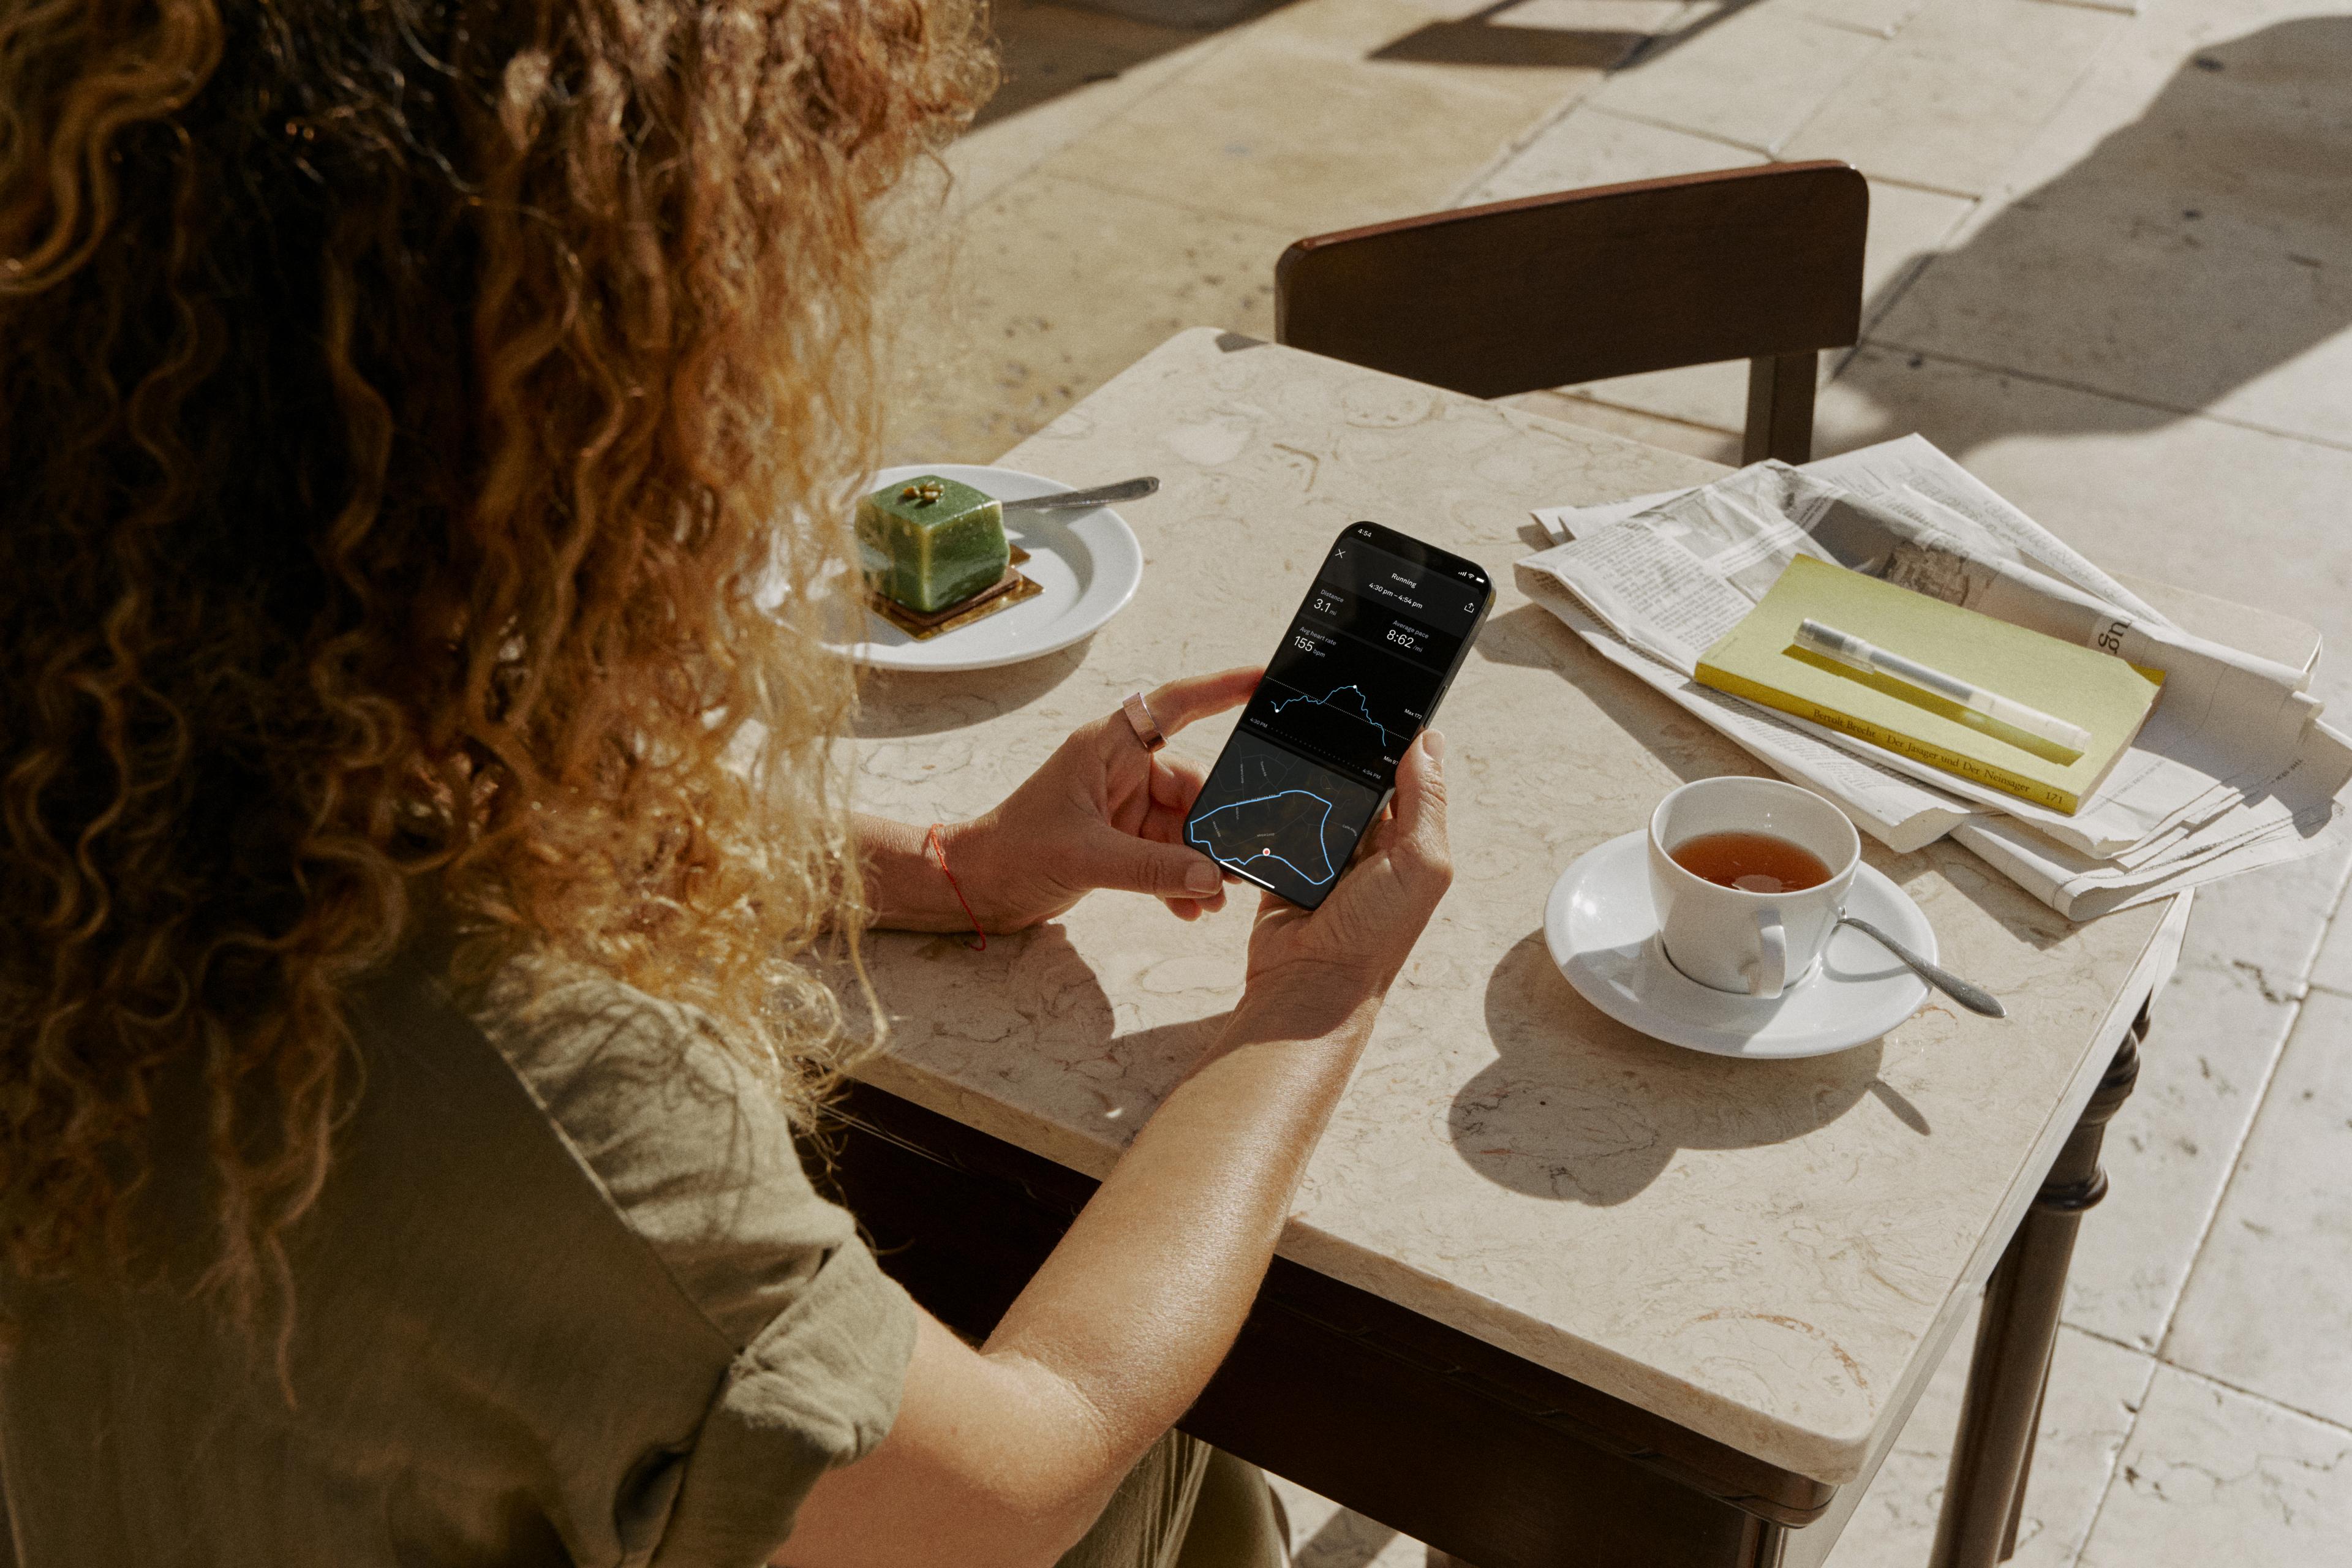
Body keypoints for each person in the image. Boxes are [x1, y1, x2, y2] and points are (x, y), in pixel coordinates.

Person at [0, 4, 1453, 1566]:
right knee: (1158, 1445)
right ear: (561, 441)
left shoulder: (108, 766)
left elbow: (421, 831)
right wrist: (1314, 1000)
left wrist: (946, 862)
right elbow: (1022, 1480)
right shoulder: (537, 1101)